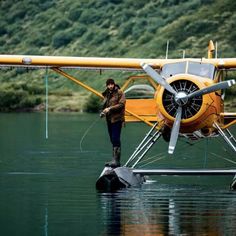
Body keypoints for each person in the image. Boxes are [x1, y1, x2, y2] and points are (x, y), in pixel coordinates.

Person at [101, 78, 126, 168]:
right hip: (109, 120)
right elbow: (105, 106)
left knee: (115, 138)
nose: (110, 86)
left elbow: (121, 104)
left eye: (112, 84)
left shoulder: (120, 92)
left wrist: (110, 108)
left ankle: (117, 161)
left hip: (117, 119)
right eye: (109, 84)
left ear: (114, 84)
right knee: (112, 139)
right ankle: (114, 160)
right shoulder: (107, 93)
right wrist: (103, 112)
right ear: (107, 85)